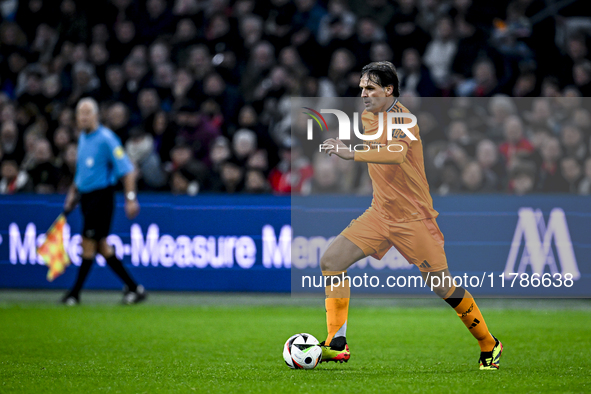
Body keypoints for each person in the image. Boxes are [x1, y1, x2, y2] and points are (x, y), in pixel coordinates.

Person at [319, 62, 502, 370]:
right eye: (362, 87)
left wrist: (352, 152)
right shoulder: (368, 116)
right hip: (379, 213)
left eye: (370, 88)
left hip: (414, 219)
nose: (363, 93)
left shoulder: (404, 119)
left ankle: (489, 344)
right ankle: (337, 343)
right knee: (330, 262)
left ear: (389, 90)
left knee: (443, 287)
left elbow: (395, 154)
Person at [62, 97, 146, 306]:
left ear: (96, 115)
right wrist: (73, 192)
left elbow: (127, 171)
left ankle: (74, 294)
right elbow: (82, 171)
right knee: (102, 247)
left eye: (87, 112)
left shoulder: (107, 139)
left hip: (102, 197)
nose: (83, 117)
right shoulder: (83, 138)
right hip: (86, 197)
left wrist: (130, 199)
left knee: (88, 244)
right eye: (80, 113)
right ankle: (134, 288)